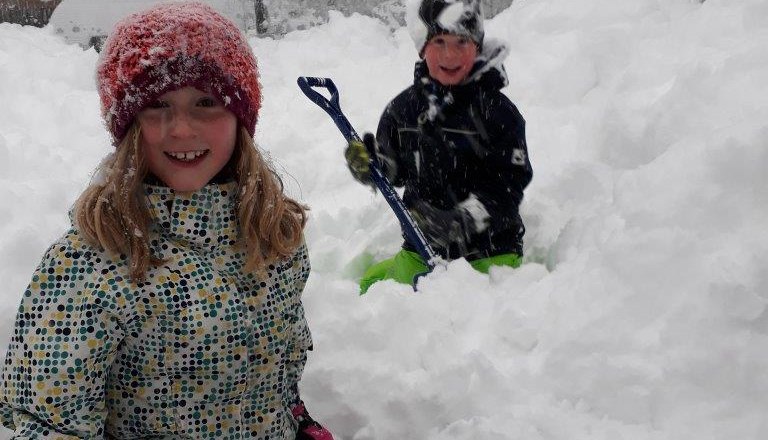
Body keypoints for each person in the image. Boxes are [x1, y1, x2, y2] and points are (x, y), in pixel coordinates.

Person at [0, 2, 332, 439]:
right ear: (128, 125)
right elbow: (47, 424)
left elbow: (277, 376)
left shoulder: (273, 237)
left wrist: (297, 419)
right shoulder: (86, 264)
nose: (180, 129)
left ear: (241, 117)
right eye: (157, 105)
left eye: (205, 102)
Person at [345, 0, 533, 293]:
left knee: (488, 322)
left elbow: (509, 185)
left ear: (478, 44)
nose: (450, 53)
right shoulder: (403, 110)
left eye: (462, 41)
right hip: (423, 247)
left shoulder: (498, 113)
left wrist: (463, 220)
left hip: (491, 252)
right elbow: (397, 170)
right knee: (370, 291)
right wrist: (376, 167)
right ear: (422, 47)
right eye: (439, 41)